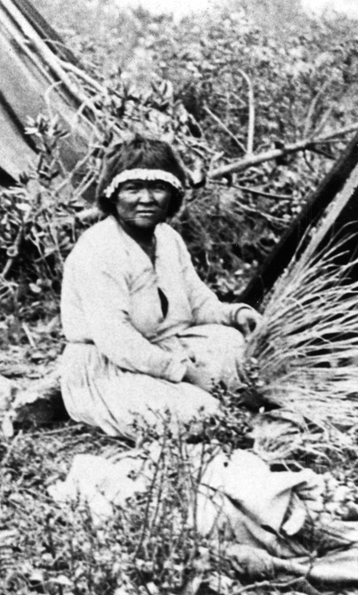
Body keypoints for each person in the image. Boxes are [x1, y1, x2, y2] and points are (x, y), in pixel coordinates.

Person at [59, 136, 262, 437]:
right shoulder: (99, 248)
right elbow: (116, 340)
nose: (146, 199)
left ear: (173, 194)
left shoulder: (168, 239)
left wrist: (235, 314)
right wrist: (183, 373)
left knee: (240, 351)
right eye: (132, 188)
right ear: (112, 195)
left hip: (166, 348)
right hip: (109, 367)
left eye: (158, 188)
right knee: (203, 415)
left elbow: (197, 302)